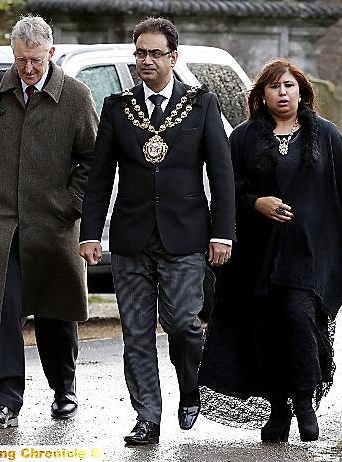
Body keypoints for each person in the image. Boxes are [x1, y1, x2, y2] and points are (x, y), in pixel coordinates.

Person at [198, 58, 342, 442]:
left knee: (298, 318)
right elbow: (229, 192)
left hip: (310, 255)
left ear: (302, 91)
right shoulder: (244, 138)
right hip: (258, 256)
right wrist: (257, 202)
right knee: (265, 328)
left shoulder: (326, 136)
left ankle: (304, 402)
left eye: (289, 86)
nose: (283, 93)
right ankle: (278, 409)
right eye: (274, 87)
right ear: (261, 94)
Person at [79, 17, 235, 445]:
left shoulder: (201, 104)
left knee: (184, 324)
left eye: (155, 54)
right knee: (136, 332)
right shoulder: (117, 106)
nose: (146, 61)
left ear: (173, 57)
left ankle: (190, 388)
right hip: (131, 239)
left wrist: (223, 233)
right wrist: (90, 232)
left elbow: (221, 175)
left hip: (186, 237)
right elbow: (99, 177)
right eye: (140, 53)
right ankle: (146, 415)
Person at [0, 15, 98, 429]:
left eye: (36, 60)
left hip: (53, 226)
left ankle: (64, 390)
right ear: (12, 55)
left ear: (51, 53)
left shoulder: (75, 95)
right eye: (21, 61)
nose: (29, 69)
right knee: (0, 312)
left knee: (56, 311)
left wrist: (68, 205)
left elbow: (92, 160)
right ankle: (5, 400)